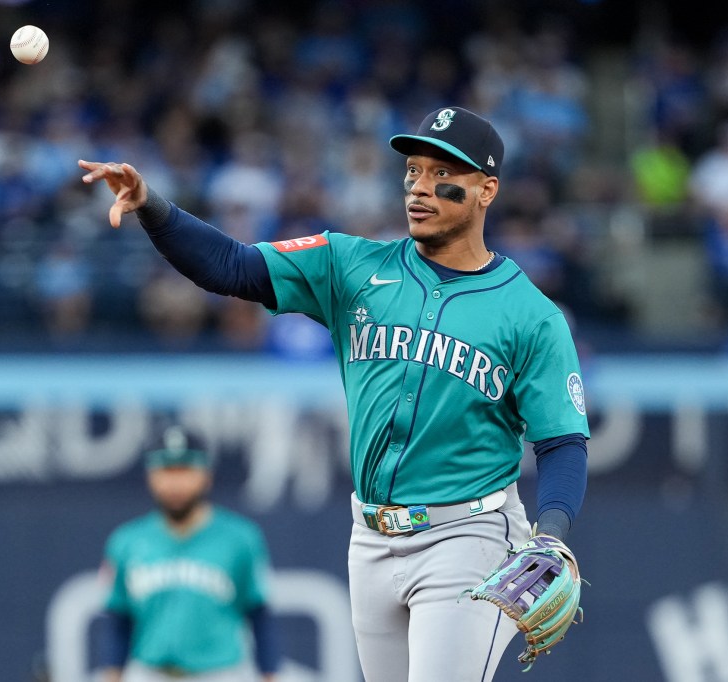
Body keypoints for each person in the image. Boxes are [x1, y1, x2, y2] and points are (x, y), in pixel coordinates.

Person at [79, 105, 590, 681]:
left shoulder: (530, 315)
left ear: (486, 190)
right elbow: (230, 266)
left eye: (442, 175)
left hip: (467, 534)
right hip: (370, 536)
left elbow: (563, 441)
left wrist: (551, 536)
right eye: (413, 172)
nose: (421, 188)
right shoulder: (352, 264)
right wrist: (152, 205)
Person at [89, 426, 280, 682]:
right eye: (166, 470)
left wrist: (270, 676)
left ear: (206, 475)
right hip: (149, 672)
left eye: (186, 470)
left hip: (219, 673)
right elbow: (119, 622)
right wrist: (112, 676)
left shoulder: (240, 539)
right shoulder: (126, 542)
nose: (175, 482)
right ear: (150, 476)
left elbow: (260, 616)